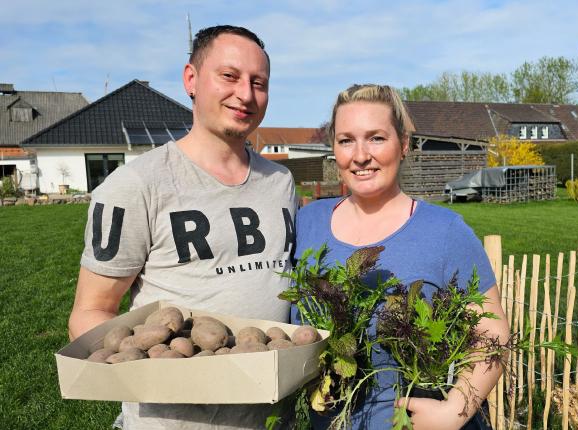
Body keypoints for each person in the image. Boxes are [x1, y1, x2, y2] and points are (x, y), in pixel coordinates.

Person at [68, 25, 297, 429]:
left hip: (270, 416)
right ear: (191, 79)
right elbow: (91, 310)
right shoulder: (137, 184)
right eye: (229, 76)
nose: (245, 94)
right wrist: (153, 372)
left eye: (258, 82)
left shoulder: (280, 182)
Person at [293, 84, 509, 429]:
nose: (360, 155)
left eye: (376, 138)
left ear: (404, 144)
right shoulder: (307, 222)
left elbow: (491, 332)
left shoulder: (445, 231)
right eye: (346, 140)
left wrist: (452, 413)